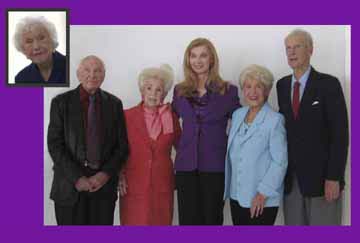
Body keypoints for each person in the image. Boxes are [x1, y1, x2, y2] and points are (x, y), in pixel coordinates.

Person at [277, 29, 349, 225]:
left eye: (297, 46)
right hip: (291, 181)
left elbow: (340, 135)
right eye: (288, 48)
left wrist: (334, 177)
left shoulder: (329, 84)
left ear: (310, 50)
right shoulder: (281, 86)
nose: (291, 52)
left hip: (323, 181)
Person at [47, 55, 129, 225]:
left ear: (104, 75)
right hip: (69, 186)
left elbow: (122, 147)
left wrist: (104, 175)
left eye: (97, 70)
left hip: (103, 188)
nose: (92, 75)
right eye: (87, 70)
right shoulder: (60, 103)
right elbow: (55, 145)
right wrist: (77, 178)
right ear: (78, 74)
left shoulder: (114, 104)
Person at [172, 38, 240, 225]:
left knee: (212, 219)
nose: (198, 60)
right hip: (186, 165)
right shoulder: (179, 91)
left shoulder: (228, 90)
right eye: (193, 56)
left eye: (203, 55)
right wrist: (180, 144)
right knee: (188, 221)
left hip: (215, 165)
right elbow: (169, 122)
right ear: (188, 60)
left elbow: (242, 124)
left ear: (212, 59)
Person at [224, 64, 288, 225]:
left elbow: (280, 162)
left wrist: (262, 194)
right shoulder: (238, 115)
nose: (252, 92)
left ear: (266, 91)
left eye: (258, 86)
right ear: (243, 90)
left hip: (261, 199)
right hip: (236, 195)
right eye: (248, 86)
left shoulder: (275, 120)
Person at [118, 64, 181, 225]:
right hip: (133, 184)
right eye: (149, 88)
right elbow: (117, 150)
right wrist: (119, 174)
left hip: (162, 184)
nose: (153, 93)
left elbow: (182, 147)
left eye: (158, 90)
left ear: (165, 93)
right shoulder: (126, 116)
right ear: (142, 90)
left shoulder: (171, 117)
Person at [13, 16, 66, 83]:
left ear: (52, 40)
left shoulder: (70, 66)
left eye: (41, 38)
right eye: (29, 41)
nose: (36, 47)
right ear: (23, 49)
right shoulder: (21, 78)